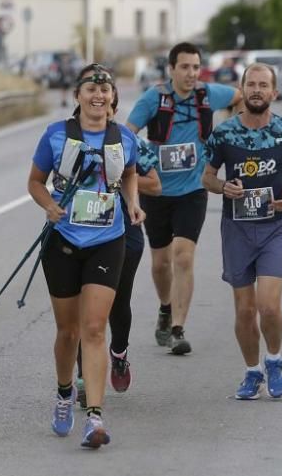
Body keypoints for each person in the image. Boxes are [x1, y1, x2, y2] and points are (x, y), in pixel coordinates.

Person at [28, 64, 145, 449]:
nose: (99, 96)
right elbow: (34, 181)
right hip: (62, 240)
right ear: (78, 95)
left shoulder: (123, 137)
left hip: (107, 239)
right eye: (91, 89)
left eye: (105, 90)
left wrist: (133, 204)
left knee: (95, 329)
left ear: (112, 96)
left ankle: (94, 417)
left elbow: (129, 173)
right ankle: (64, 392)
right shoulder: (57, 135)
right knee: (69, 331)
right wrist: (48, 205)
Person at [202, 63, 282, 400]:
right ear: (243, 90)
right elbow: (206, 176)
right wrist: (222, 188)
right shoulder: (224, 133)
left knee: (269, 307)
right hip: (237, 229)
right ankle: (252, 371)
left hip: (275, 226)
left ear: (274, 93)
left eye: (264, 85)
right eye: (252, 84)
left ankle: (274, 360)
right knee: (245, 310)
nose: (257, 90)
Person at [127, 41, 242, 355]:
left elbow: (239, 97)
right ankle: (165, 307)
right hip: (157, 191)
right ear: (172, 69)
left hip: (193, 190)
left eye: (196, 67)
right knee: (161, 263)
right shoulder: (155, 98)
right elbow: (127, 133)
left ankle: (178, 328)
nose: (192, 73)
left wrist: (236, 134)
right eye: (185, 67)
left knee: (183, 256)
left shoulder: (208, 94)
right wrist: (141, 164)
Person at [75, 89, 162, 404]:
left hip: (124, 232)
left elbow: (154, 182)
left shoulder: (129, 140)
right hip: (82, 231)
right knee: (85, 306)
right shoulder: (73, 141)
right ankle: (84, 378)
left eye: (107, 101)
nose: (101, 106)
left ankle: (119, 353)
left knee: (117, 300)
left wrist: (125, 184)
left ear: (112, 104)